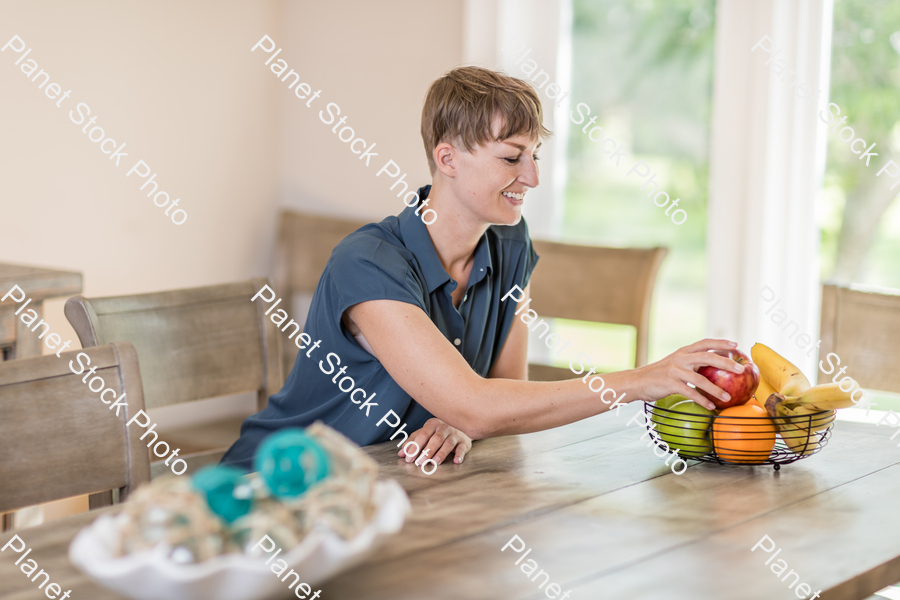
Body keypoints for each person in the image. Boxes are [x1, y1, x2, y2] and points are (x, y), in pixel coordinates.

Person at [220, 66, 741, 472]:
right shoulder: (368, 263)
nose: (531, 177)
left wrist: (462, 423)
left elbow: (502, 391)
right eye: (512, 157)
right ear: (448, 159)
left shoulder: (510, 244)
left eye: (535, 155)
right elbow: (479, 403)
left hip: (397, 483)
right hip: (276, 488)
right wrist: (645, 380)